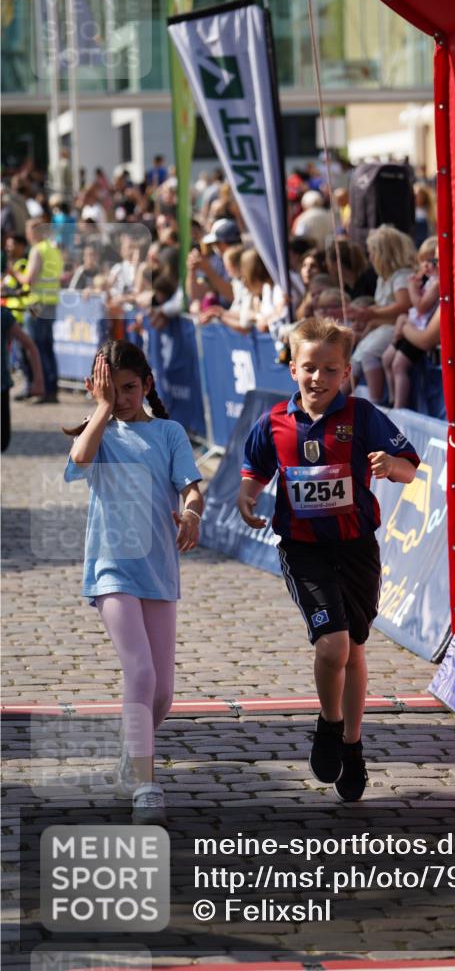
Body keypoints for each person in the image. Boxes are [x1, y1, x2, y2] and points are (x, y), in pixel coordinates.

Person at [238, 317, 419, 802]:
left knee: (355, 650)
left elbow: (409, 467)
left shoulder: (363, 416)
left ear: (346, 374)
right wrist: (248, 495)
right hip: (304, 549)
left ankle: (353, 747)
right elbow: (254, 468)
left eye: (330, 370)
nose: (318, 378)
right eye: (309, 368)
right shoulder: (274, 422)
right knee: (333, 647)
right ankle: (329, 724)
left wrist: (392, 466)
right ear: (292, 367)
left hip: (357, 547)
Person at [63, 340, 203, 824]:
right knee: (140, 674)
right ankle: (146, 783)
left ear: (147, 385)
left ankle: (132, 748)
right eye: (111, 389)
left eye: (129, 388)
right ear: (95, 388)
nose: (122, 398)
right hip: (110, 570)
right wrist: (101, 410)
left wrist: (190, 512)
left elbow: (191, 486)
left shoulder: (169, 432)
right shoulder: (95, 432)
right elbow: (80, 461)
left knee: (162, 693)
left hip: (159, 572)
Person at [348, 225, 416, 403]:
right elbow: (380, 308)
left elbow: (404, 305)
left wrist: (371, 313)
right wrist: (367, 317)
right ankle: (337, 402)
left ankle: (376, 402)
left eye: (372, 252)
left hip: (396, 326)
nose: (369, 257)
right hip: (383, 326)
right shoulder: (383, 278)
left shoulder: (401, 276)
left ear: (383, 253)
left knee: (368, 353)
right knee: (357, 356)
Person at [8, 218, 64, 403]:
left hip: (36, 304)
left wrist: (14, 272)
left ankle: (39, 388)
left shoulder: (38, 250)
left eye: (29, 231)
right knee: (47, 347)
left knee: (34, 347)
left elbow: (28, 278)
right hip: (51, 302)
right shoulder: (53, 250)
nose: (28, 235)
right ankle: (51, 389)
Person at [382, 236, 439, 408]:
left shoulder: (437, 283)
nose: (426, 266)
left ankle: (400, 406)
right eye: (423, 262)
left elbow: (421, 307)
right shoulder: (430, 281)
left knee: (399, 365)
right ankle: (392, 399)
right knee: (386, 359)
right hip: (413, 326)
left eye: (432, 261)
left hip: (420, 329)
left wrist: (412, 289)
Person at [1, 305, 44, 450]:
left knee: (2, 442)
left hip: (2, 386)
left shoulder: (3, 315)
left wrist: (38, 380)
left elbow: (29, 345)